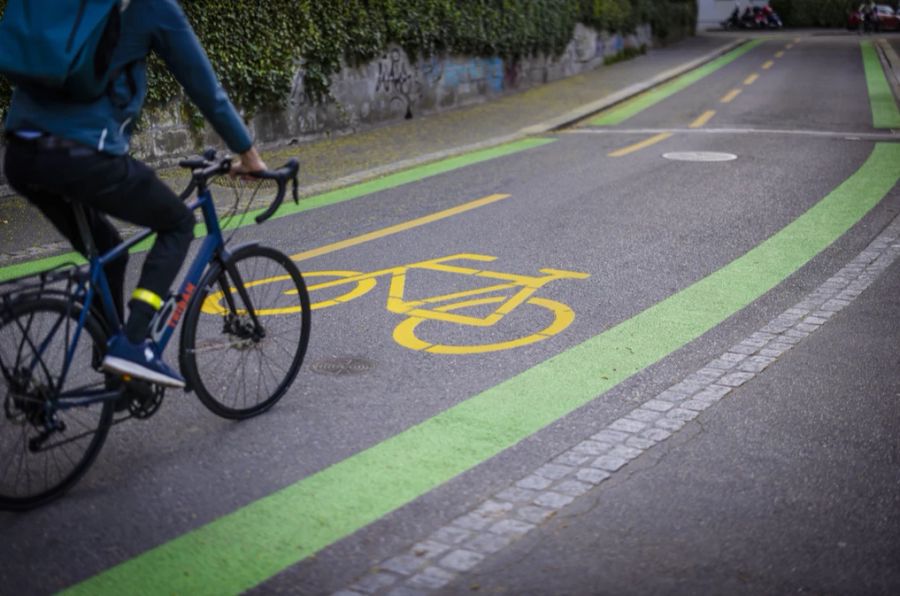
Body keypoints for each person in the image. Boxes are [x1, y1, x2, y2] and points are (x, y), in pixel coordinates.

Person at [2, 0, 267, 388]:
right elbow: (206, 90)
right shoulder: (152, 6)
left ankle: (115, 367)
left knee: (111, 252)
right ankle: (132, 342)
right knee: (178, 222)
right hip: (83, 156)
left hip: (21, 155)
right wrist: (249, 155)